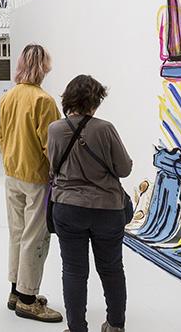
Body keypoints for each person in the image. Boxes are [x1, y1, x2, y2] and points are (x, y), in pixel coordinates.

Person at [48, 75, 133, 332]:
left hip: (68, 207)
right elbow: (124, 169)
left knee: (74, 270)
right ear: (95, 102)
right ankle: (115, 325)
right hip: (107, 208)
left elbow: (53, 168)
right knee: (111, 268)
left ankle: (77, 328)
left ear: (68, 99)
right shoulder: (105, 129)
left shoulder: (55, 129)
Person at [0, 44, 63, 323]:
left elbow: (1, 135)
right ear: (42, 66)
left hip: (12, 175)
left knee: (17, 233)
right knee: (35, 238)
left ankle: (16, 291)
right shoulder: (43, 101)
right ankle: (27, 300)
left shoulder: (8, 97)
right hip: (37, 178)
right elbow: (51, 146)